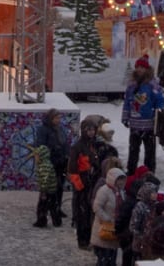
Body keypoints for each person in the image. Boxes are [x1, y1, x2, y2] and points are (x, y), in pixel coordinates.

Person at [70, 116, 110, 250]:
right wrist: (80, 186)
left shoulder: (94, 145)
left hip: (92, 183)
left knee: (90, 214)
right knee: (82, 215)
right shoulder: (77, 147)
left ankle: (88, 239)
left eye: (93, 130)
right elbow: (72, 170)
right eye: (89, 130)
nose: (91, 132)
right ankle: (82, 241)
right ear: (84, 131)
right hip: (82, 185)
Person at [122, 58, 164, 177]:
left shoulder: (152, 84)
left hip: (149, 124)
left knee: (150, 151)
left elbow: (160, 100)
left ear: (146, 69)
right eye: (138, 67)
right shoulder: (132, 85)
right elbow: (127, 102)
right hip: (135, 124)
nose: (139, 69)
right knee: (133, 150)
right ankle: (131, 172)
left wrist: (158, 115)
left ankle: (149, 172)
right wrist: (125, 116)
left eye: (142, 67)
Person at [33, 106, 70, 228]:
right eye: (56, 118)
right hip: (50, 162)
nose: (58, 120)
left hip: (61, 162)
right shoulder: (43, 130)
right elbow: (41, 146)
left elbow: (64, 143)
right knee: (48, 190)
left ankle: (57, 210)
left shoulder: (59, 129)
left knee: (58, 187)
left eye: (59, 117)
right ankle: (44, 215)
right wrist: (52, 151)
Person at [89, 167, 126, 266]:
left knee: (111, 259)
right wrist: (107, 219)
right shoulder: (104, 190)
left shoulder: (121, 192)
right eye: (119, 179)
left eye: (122, 179)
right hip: (103, 229)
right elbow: (96, 207)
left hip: (113, 230)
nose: (121, 182)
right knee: (103, 259)